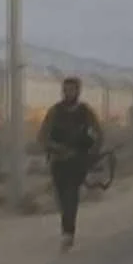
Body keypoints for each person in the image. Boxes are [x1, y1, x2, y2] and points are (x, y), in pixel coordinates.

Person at [36, 76, 104, 252]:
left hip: (77, 161)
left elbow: (98, 133)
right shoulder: (55, 111)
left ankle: (68, 233)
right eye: (66, 90)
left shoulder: (85, 111)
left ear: (78, 91)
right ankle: (67, 227)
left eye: (72, 90)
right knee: (61, 198)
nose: (68, 93)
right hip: (58, 161)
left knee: (71, 195)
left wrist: (92, 153)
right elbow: (42, 136)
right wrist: (56, 148)